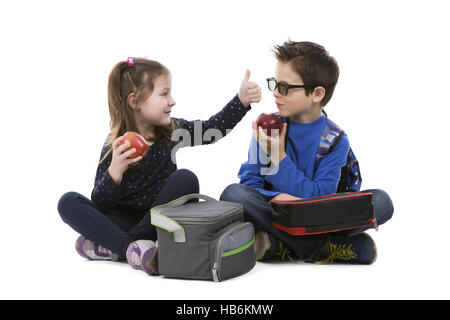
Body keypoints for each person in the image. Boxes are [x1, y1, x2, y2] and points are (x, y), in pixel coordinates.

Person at [57, 57, 261, 275]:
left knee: (186, 178)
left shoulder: (173, 131)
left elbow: (213, 129)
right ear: (134, 102)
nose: (172, 101)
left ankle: (115, 246)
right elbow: (101, 204)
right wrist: (115, 171)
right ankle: (130, 248)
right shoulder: (116, 146)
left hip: (157, 221)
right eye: (164, 94)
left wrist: (241, 101)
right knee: (68, 201)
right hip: (121, 221)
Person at [220, 41, 394, 264]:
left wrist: (279, 158)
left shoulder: (335, 140)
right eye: (274, 84)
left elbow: (321, 198)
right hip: (280, 212)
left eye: (284, 87)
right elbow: (249, 184)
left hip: (317, 216)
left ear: (317, 93)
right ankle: (319, 247)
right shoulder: (269, 127)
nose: (275, 93)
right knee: (233, 195)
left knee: (382, 202)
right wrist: (277, 199)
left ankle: (281, 244)